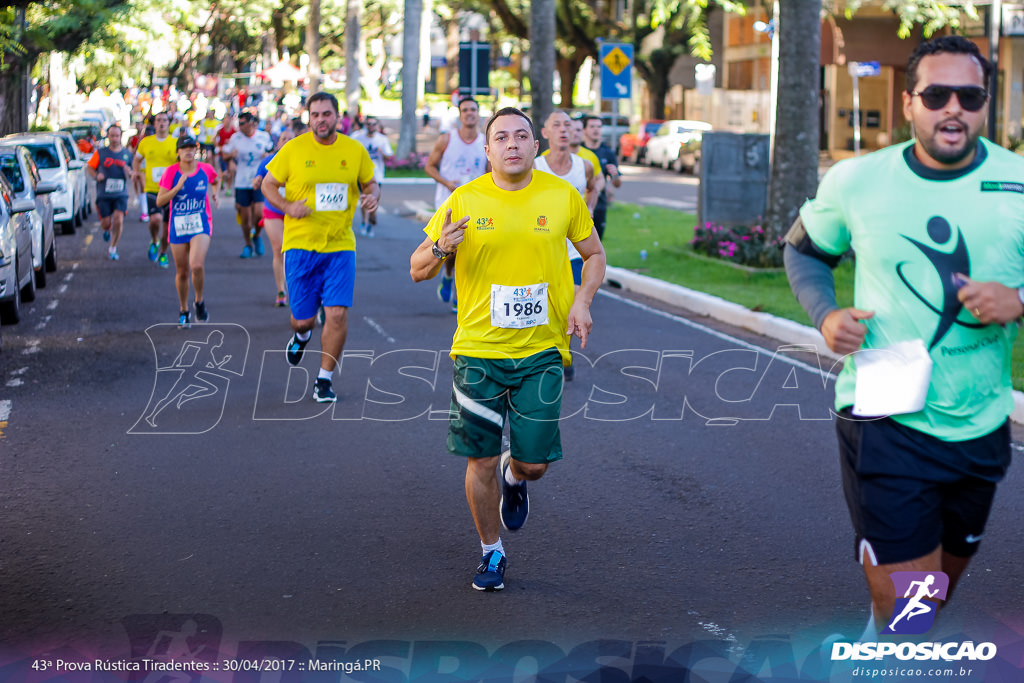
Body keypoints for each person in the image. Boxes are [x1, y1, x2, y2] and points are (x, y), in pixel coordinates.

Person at [784, 35, 1024, 638]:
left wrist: (1019, 301)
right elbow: (805, 251)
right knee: (913, 615)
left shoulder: (1017, 182)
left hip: (981, 419)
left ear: (985, 104)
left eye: (968, 97)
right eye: (936, 94)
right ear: (908, 103)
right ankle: (891, 634)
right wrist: (826, 316)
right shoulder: (859, 180)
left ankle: (884, 623)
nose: (953, 109)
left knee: (935, 590)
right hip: (886, 414)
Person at [409, 107, 606, 591]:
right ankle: (491, 552)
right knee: (477, 460)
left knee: (534, 464)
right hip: (478, 350)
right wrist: (440, 249)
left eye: (522, 136)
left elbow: (595, 255)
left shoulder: (563, 197)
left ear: (536, 146)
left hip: (541, 350)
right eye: (503, 137)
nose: (512, 144)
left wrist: (582, 298)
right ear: (488, 149)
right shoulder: (464, 199)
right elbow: (416, 268)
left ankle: (514, 477)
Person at [261, 92, 379, 403]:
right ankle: (302, 335)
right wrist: (287, 206)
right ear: (308, 117)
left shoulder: (353, 150)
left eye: (326, 114)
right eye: (315, 115)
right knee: (304, 319)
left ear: (337, 117)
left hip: (340, 245)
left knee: (337, 314)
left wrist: (372, 195)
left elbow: (370, 182)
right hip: (300, 245)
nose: (320, 120)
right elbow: (267, 184)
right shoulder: (295, 149)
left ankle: (324, 379)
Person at [533, 110, 599, 381]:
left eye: (567, 125)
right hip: (540, 249)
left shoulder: (584, 166)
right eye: (556, 125)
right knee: (542, 304)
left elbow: (594, 187)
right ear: (545, 133)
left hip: (572, 250)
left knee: (569, 301)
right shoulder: (535, 166)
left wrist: (589, 210)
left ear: (574, 132)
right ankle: (538, 352)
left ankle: (563, 353)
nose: (563, 130)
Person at [424, 97, 487, 313]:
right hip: (448, 203)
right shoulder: (446, 140)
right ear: (460, 115)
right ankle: (448, 275)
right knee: (451, 250)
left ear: (478, 114)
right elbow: (430, 167)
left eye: (473, 110)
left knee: (467, 250)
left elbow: (490, 173)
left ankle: (460, 295)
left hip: (475, 204)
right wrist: (447, 183)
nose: (470, 113)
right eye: (466, 110)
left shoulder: (485, 143)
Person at [156, 136, 220, 327]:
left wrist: (215, 192)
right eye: (184, 148)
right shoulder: (171, 172)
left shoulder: (205, 169)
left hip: (200, 223)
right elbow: (160, 201)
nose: (188, 151)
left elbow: (215, 179)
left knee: (196, 265)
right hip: (178, 225)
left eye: (192, 147)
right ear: (178, 152)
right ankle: (184, 309)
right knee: (182, 271)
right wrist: (177, 187)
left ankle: (199, 301)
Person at [254, 121, 304, 307]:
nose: (287, 142)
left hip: (297, 211)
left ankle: (298, 288)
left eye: (291, 139)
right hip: (273, 210)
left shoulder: (304, 161)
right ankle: (281, 290)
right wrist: (257, 181)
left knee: (297, 251)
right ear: (278, 142)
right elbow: (258, 180)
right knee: (279, 249)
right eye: (284, 139)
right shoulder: (268, 161)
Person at [221, 111, 273, 258]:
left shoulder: (263, 136)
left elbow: (272, 153)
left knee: (259, 213)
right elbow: (224, 154)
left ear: (251, 123)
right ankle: (248, 245)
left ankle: (256, 235)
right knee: (245, 218)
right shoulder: (235, 138)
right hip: (242, 181)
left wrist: (267, 157)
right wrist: (232, 156)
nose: (240, 126)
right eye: (239, 123)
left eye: (243, 123)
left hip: (259, 179)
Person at [132, 111, 178, 267]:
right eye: (159, 120)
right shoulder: (146, 142)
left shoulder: (175, 142)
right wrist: (136, 173)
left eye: (165, 120)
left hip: (170, 190)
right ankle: (154, 240)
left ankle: (164, 253)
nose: (162, 123)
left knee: (167, 227)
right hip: (152, 188)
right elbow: (137, 160)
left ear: (169, 123)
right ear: (154, 124)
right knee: (155, 220)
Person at [86, 123, 134, 261]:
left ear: (121, 136)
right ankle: (107, 229)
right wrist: (96, 176)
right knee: (106, 223)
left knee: (119, 219)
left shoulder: (126, 154)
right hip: (104, 194)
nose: (114, 138)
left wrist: (129, 172)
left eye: (117, 136)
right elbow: (89, 168)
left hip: (120, 194)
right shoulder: (101, 153)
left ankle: (113, 248)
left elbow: (133, 173)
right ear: (108, 136)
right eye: (112, 135)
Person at [349, 115, 393, 237]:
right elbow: (347, 147)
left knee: (374, 199)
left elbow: (389, 157)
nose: (371, 126)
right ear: (365, 125)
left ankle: (373, 215)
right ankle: (365, 222)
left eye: (374, 124)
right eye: (369, 124)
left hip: (377, 174)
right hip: (361, 174)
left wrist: (381, 152)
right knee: (365, 198)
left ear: (378, 126)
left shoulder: (382, 139)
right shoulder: (357, 137)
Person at [581, 115, 622, 240]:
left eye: (599, 127)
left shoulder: (608, 152)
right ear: (584, 130)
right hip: (580, 203)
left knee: (596, 243)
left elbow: (617, 184)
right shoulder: (578, 151)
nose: (596, 130)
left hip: (599, 205)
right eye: (592, 126)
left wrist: (615, 174)